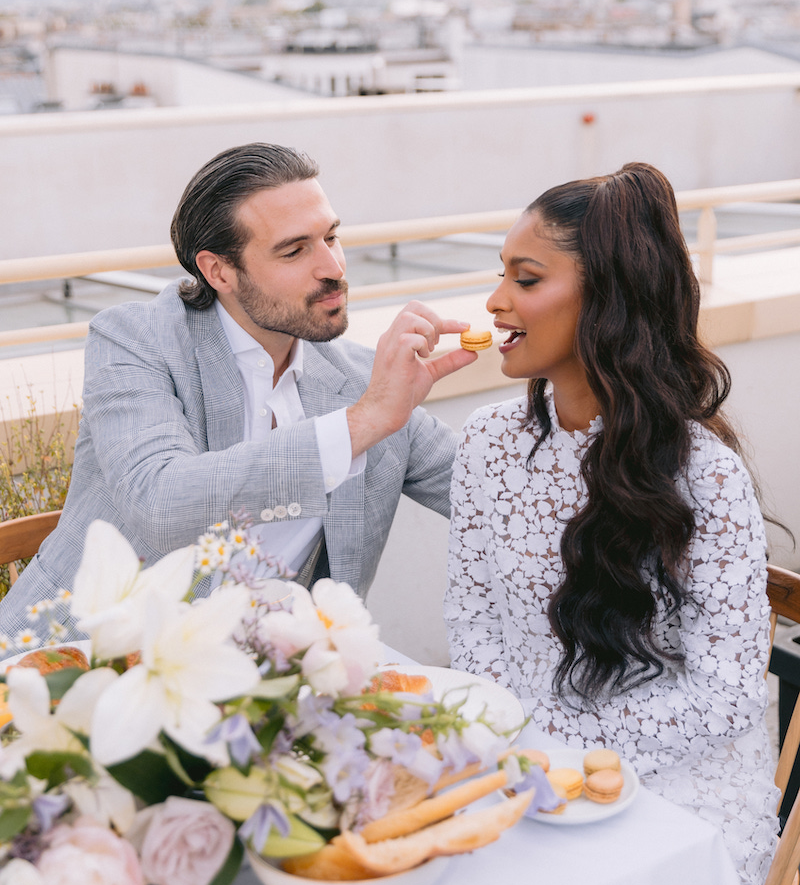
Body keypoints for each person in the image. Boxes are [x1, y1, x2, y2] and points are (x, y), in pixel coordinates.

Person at [443, 162, 779, 885]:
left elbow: (725, 695)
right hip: (523, 764)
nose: (496, 302)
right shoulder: (485, 444)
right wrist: (522, 749)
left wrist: (567, 755)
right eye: (501, 275)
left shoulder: (706, 477)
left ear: (609, 299)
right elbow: (472, 623)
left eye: (526, 280)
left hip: (680, 783)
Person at [4, 142, 476, 635]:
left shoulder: (359, 381)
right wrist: (361, 424)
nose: (333, 268)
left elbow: (488, 489)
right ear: (218, 271)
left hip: (267, 691)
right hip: (73, 665)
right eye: (294, 250)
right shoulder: (135, 340)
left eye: (331, 237)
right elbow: (161, 504)